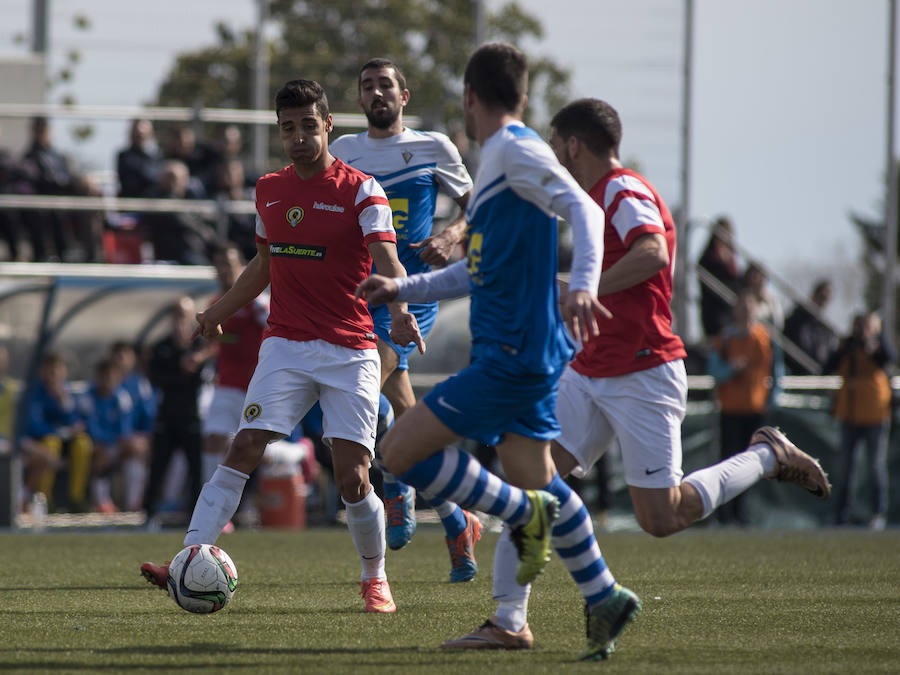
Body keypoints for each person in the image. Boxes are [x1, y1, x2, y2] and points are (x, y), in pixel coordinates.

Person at [454, 98, 832, 657]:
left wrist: (584, 287)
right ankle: (509, 622)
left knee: (663, 516)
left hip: (644, 371)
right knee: (529, 481)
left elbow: (652, 252)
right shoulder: (595, 198)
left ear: (574, 146)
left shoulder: (623, 188)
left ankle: (766, 456)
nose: (553, 156)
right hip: (590, 368)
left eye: (556, 146)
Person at [357, 44, 633, 661]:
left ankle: (522, 517)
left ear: (469, 97)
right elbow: (473, 272)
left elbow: (586, 211)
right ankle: (597, 597)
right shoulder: (499, 162)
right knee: (541, 481)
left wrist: (583, 284)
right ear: (523, 95)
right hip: (521, 352)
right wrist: (401, 288)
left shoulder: (514, 149)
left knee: (399, 452)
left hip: (513, 354)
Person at [141, 78, 424, 614]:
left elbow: (389, 261)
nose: (298, 137)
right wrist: (216, 312)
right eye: (287, 128)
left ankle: (375, 578)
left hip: (350, 349)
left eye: (308, 126)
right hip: (286, 344)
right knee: (244, 446)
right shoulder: (268, 189)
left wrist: (400, 311)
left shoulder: (363, 190)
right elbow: (263, 265)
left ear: (328, 125)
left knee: (353, 477)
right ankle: (186, 558)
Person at [330, 58, 482, 582]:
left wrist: (451, 235)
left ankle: (395, 484)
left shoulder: (434, 147)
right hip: (356, 294)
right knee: (401, 414)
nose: (377, 93)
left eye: (385, 85)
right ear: (359, 99)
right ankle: (457, 519)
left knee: (361, 389)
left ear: (404, 95)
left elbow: (477, 205)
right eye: (367, 86)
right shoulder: (344, 151)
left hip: (411, 293)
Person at [200, 241, 268, 524]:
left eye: (228, 264)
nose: (223, 270)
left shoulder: (257, 303)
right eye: (219, 265)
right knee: (213, 440)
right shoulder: (215, 305)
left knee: (250, 446)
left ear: (242, 266)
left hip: (255, 387)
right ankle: (210, 505)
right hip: (226, 384)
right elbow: (218, 343)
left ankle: (246, 505)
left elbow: (276, 329)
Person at [707, 289, 781, 525]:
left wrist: (771, 399)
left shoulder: (764, 337)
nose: (746, 311)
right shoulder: (725, 338)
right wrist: (731, 369)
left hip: (755, 409)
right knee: (727, 462)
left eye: (750, 306)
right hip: (730, 408)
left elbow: (777, 371)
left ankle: (743, 515)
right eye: (742, 306)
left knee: (751, 465)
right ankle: (724, 515)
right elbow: (714, 370)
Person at [142, 297, 213, 525]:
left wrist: (191, 362)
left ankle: (195, 514)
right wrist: (180, 370)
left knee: (196, 468)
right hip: (167, 415)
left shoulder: (199, 346)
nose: (180, 320)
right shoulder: (162, 346)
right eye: (176, 314)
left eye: (184, 315)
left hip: (191, 415)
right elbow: (156, 377)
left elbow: (201, 377)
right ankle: (149, 512)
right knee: (158, 465)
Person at [824, 312, 894, 529]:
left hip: (875, 415)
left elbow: (890, 358)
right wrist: (843, 348)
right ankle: (842, 513)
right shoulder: (848, 347)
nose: (863, 332)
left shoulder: (879, 346)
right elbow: (827, 366)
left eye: (867, 327)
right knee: (846, 469)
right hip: (850, 415)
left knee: (875, 467)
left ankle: (878, 513)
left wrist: (876, 344)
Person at [24, 351, 93, 511]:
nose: (54, 374)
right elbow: (34, 425)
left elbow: (78, 422)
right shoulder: (34, 393)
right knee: (51, 443)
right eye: (51, 369)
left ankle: (76, 498)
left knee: (83, 443)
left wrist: (64, 403)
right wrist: (60, 432)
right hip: (41, 441)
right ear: (42, 371)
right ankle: (45, 499)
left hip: (66, 442)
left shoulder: (68, 393)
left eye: (59, 369)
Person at [80, 358, 146, 513]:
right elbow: (91, 428)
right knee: (100, 457)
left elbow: (125, 430)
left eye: (111, 376)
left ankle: (133, 504)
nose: (108, 381)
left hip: (116, 446)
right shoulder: (88, 397)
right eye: (104, 376)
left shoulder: (122, 397)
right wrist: (106, 444)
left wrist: (118, 445)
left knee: (135, 459)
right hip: (96, 446)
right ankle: (102, 503)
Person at [698, 216, 741, 339]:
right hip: (713, 310)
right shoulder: (708, 257)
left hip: (730, 310)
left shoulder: (732, 259)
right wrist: (720, 263)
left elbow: (737, 281)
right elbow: (705, 279)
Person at [783, 279, 838, 374]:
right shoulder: (797, 319)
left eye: (826, 299)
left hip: (817, 376)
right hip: (796, 373)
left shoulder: (827, 329)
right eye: (821, 297)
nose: (823, 302)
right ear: (814, 295)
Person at [116, 118, 162, 198]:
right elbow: (130, 182)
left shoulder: (156, 157)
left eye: (143, 134)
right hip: (132, 201)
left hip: (152, 201)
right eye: (137, 134)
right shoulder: (124, 156)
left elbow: (157, 179)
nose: (140, 137)